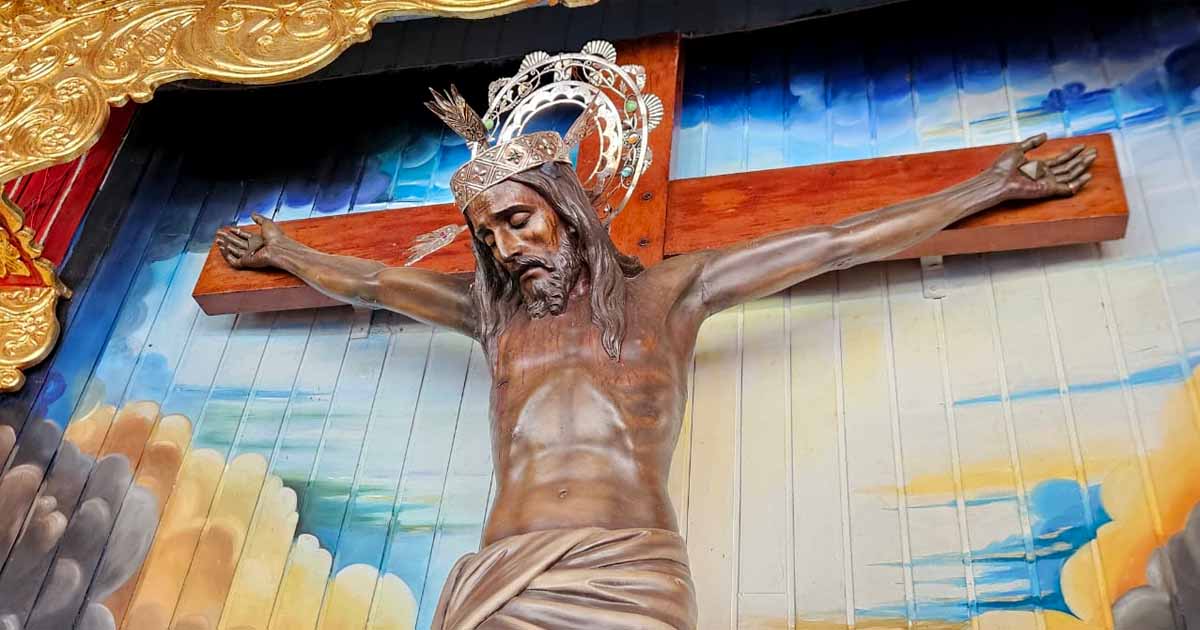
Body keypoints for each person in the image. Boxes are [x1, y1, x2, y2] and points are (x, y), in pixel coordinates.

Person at [216, 102, 1094, 627]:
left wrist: (988, 187)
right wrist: (287, 250)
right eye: (488, 236)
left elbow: (835, 243)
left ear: (564, 209)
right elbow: (373, 282)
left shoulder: (673, 294)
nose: (507, 247)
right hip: (504, 581)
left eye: (518, 220)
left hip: (628, 578)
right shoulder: (493, 315)